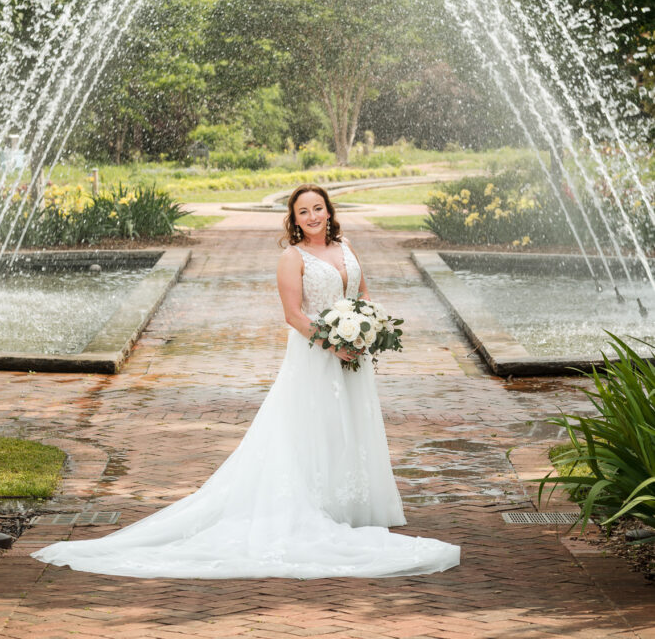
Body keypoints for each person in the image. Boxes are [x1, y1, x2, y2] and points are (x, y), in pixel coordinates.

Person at [31, 184, 460, 578]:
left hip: (354, 356)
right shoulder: (292, 258)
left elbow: (362, 294)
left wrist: (366, 328)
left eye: (318, 208)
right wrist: (334, 344)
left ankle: (352, 504)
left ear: (330, 212)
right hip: (316, 357)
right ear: (293, 220)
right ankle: (316, 504)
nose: (312, 216)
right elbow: (293, 315)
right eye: (302, 212)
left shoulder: (346, 246)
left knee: (351, 423)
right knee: (314, 426)